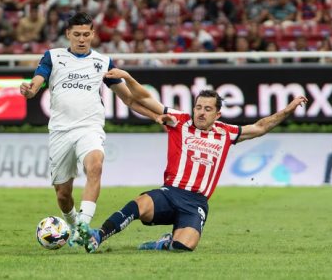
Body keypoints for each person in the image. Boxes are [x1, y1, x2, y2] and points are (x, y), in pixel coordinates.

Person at [75, 69, 308, 253]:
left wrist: (288, 109)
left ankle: (165, 243)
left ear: (217, 114)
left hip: (195, 202)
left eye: (207, 109)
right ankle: (98, 236)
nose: (201, 112)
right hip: (170, 193)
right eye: (198, 107)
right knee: (140, 204)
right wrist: (126, 77)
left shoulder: (227, 133)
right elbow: (143, 97)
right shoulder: (179, 121)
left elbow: (260, 127)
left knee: (183, 247)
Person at [19, 12, 159, 245]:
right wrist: (30, 91)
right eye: (77, 35)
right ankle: (72, 224)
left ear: (93, 34)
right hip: (60, 132)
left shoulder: (103, 62)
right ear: (68, 35)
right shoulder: (53, 57)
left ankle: (84, 224)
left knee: (95, 165)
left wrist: (156, 116)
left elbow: (130, 100)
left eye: (86, 34)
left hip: (90, 127)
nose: (82, 39)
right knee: (63, 194)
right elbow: (37, 81)